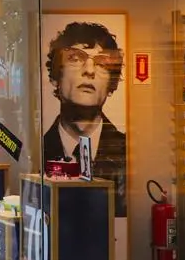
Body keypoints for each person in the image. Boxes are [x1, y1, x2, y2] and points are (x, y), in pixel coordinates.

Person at [42, 22, 126, 217]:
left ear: (111, 84)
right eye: (75, 58)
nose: (89, 70)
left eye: (102, 63)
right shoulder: (38, 149)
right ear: (56, 76)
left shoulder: (126, 151)